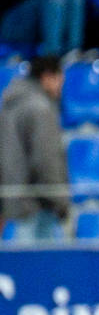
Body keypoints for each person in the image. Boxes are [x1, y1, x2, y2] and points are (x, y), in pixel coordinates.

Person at [0, 57, 68, 241]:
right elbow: (45, 160)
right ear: (46, 77)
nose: (61, 86)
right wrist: (60, 201)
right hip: (37, 206)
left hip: (12, 204)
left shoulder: (9, 104)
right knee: (39, 266)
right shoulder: (40, 108)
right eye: (59, 79)